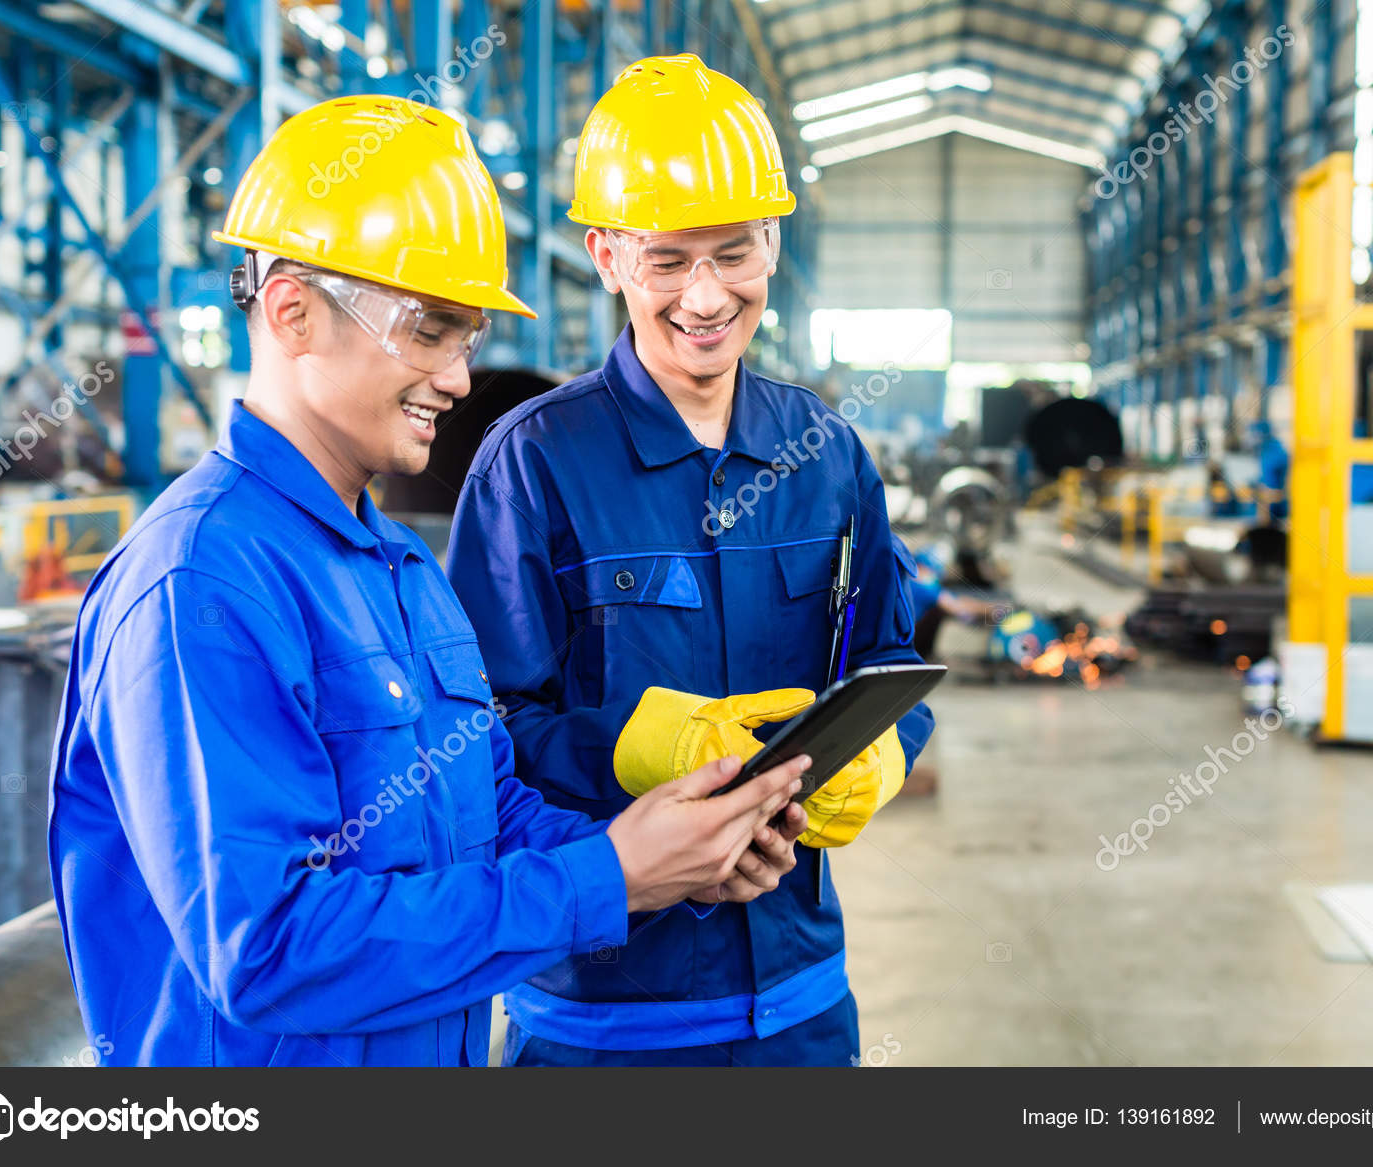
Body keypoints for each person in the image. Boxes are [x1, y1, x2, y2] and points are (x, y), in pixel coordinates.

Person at [46, 95, 807, 1068]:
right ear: (292, 312)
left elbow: (492, 815)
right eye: (431, 330)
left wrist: (666, 848)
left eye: (468, 338)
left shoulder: (400, 570)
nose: (457, 380)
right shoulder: (203, 582)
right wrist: (604, 880)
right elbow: (267, 947)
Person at [448, 56, 935, 1067]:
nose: (706, 297)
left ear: (772, 245)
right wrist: (635, 750)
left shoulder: (828, 453)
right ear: (606, 255)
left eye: (734, 253)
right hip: (601, 1019)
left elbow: (892, 666)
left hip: (799, 1001)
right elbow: (474, 736)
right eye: (667, 261)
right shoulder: (533, 463)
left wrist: (884, 756)